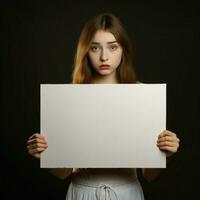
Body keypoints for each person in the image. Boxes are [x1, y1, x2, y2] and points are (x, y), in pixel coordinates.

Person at [27, 13, 180, 200]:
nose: (104, 56)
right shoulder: (70, 97)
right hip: (82, 193)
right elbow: (63, 172)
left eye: (113, 47)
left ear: (123, 50)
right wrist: (44, 154)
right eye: (94, 48)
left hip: (127, 193)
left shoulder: (142, 95)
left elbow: (149, 174)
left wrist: (166, 152)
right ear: (85, 51)